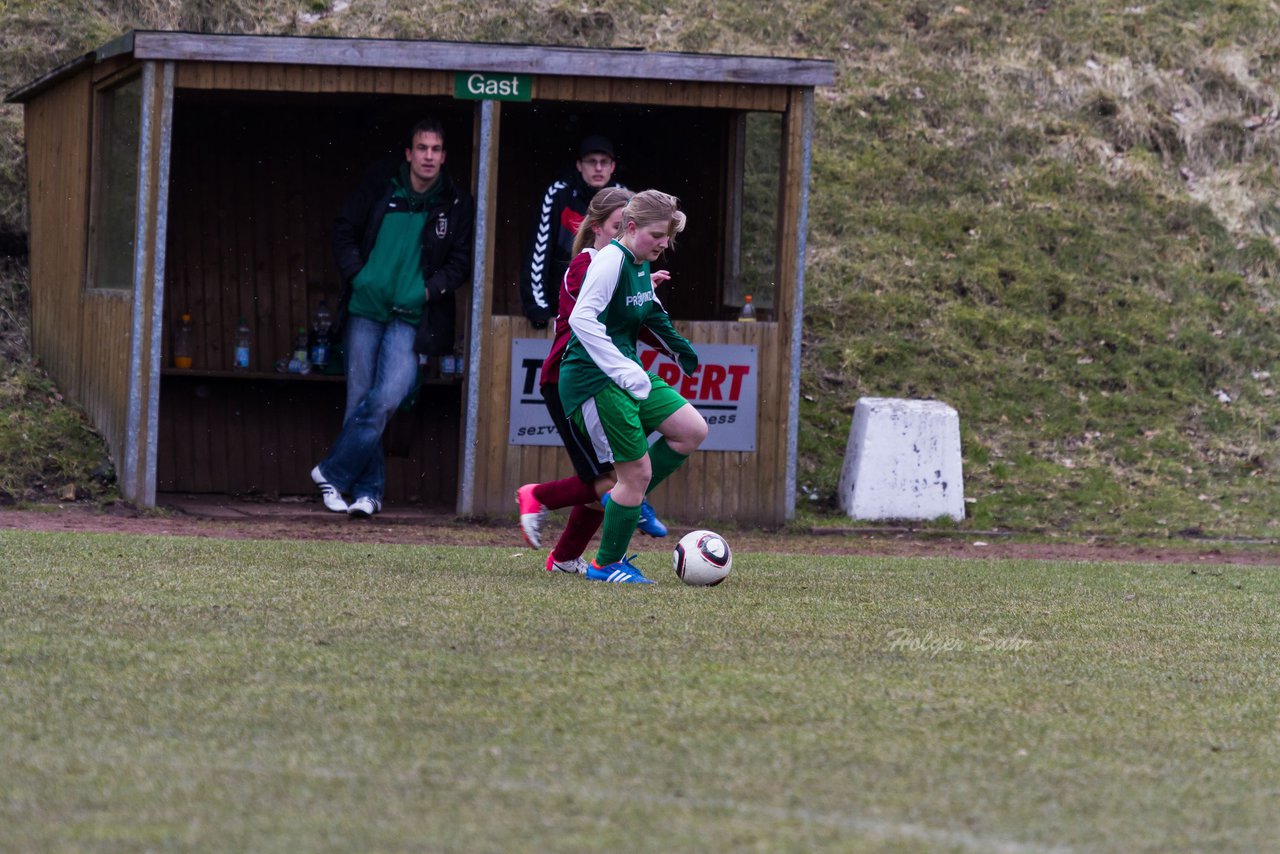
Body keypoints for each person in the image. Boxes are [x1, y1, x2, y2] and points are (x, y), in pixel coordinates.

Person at [310, 117, 475, 518]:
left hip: (411, 314)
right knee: (360, 400)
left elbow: (459, 263)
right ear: (409, 153)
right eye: (422, 148)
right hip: (365, 310)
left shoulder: (455, 202)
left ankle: (332, 471)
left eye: (436, 150)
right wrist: (359, 276)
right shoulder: (381, 187)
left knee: (388, 396)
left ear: (444, 156)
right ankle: (368, 493)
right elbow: (344, 230)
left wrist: (426, 290)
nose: (429, 157)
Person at [515, 188, 674, 574]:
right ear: (599, 227)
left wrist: (643, 289)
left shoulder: (622, 265)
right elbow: (592, 320)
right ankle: (538, 496)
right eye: (619, 226)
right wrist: (639, 289)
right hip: (568, 380)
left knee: (611, 478)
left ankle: (566, 555)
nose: (626, 235)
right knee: (611, 481)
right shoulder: (588, 265)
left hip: (602, 379)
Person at [559, 190, 708, 584]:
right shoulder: (610, 261)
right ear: (630, 227)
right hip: (593, 379)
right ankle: (606, 564)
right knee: (635, 473)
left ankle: (627, 498)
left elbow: (649, 306)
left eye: (668, 237)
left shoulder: (640, 261)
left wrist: (679, 349)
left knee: (691, 430)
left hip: (624, 372)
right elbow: (582, 321)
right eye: (658, 235)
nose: (664, 243)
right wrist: (623, 371)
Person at [519, 134, 625, 329]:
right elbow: (538, 253)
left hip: (608, 310)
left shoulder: (625, 199)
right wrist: (538, 308)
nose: (598, 168)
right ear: (579, 165)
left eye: (604, 162)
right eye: (592, 161)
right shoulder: (559, 194)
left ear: (613, 167)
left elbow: (634, 257)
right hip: (562, 309)